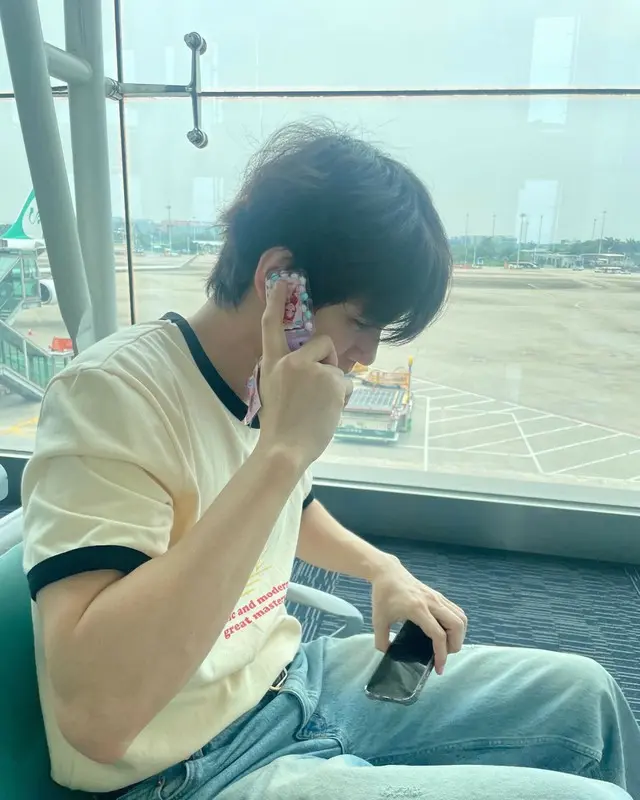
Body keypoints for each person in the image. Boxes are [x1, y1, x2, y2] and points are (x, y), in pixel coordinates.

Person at [22, 122, 639, 800]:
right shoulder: (111, 396)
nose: (369, 355)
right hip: (182, 770)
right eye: (362, 322)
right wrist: (282, 451)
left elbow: (297, 510)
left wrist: (381, 567)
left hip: (290, 682)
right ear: (279, 283)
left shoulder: (265, 385)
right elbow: (96, 718)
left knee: (589, 700)